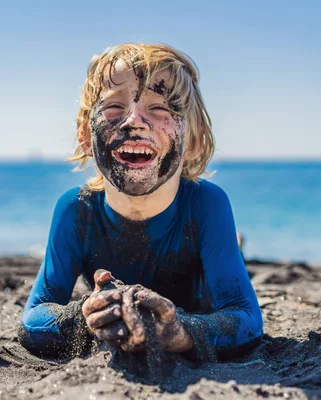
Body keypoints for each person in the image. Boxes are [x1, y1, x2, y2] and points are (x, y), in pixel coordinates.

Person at [18, 43, 263, 361]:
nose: (134, 121)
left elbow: (247, 319)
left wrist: (179, 331)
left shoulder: (206, 206)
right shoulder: (76, 211)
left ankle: (234, 245)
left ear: (193, 140)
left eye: (160, 109)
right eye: (114, 108)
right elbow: (33, 318)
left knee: (228, 255)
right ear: (85, 136)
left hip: (197, 292)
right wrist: (84, 319)